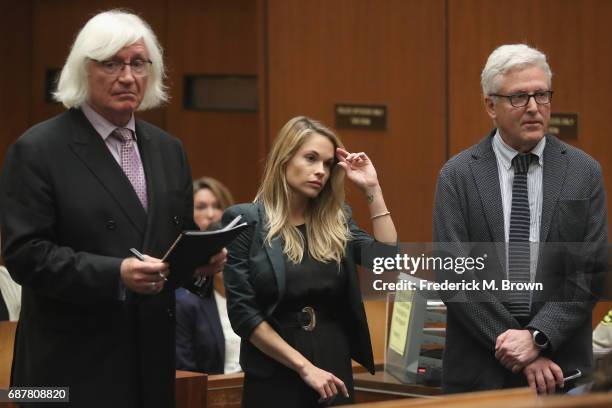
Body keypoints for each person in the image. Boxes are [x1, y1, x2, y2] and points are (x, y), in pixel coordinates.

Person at [0, 10, 225, 408]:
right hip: (66, 373)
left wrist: (200, 265)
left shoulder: (168, 149)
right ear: (82, 70)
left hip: (150, 365)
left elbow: (173, 239)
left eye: (138, 63)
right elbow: (25, 255)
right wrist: (116, 274)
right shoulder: (37, 149)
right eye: (111, 63)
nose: (127, 76)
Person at [433, 44, 608, 395]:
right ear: (490, 105)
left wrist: (539, 337)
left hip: (561, 372)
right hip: (479, 374)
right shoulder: (458, 175)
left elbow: (587, 272)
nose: (533, 108)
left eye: (541, 95)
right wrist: (517, 347)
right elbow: (455, 274)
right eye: (518, 97)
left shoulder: (583, 172)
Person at [222, 116, 397, 406]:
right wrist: (305, 368)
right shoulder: (246, 221)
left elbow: (387, 259)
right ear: (285, 159)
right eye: (311, 158)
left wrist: (372, 189)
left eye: (328, 164)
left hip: (332, 363)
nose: (320, 171)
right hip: (276, 367)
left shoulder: (336, 220)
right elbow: (244, 315)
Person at [176, 177, 242, 374]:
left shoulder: (247, 285)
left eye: (217, 206)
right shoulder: (186, 299)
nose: (211, 215)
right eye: (202, 207)